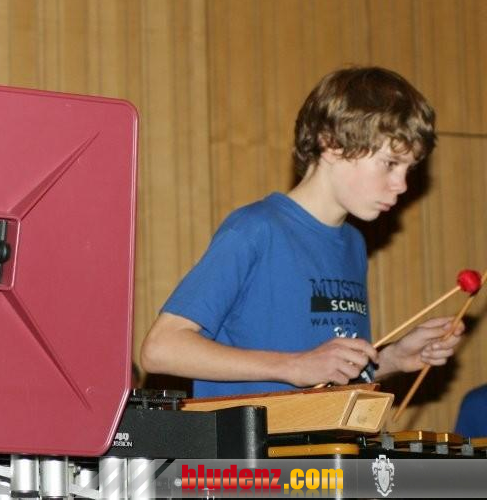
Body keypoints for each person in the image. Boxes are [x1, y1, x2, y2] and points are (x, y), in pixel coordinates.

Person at [139, 66, 464, 398]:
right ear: (332, 143)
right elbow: (161, 348)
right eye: (390, 163)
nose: (402, 185)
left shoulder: (353, 244)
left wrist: (393, 358)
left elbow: (328, 376)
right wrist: (293, 366)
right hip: (249, 434)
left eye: (409, 168)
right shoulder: (255, 229)